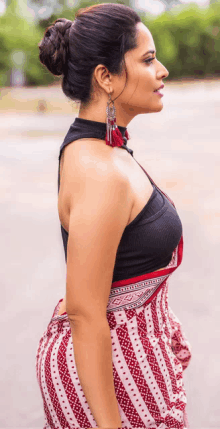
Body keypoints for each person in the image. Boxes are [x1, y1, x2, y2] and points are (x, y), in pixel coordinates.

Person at [35, 3, 192, 428]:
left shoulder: (105, 148)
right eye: (147, 59)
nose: (161, 71)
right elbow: (86, 311)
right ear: (105, 77)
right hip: (110, 381)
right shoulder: (97, 170)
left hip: (128, 365)